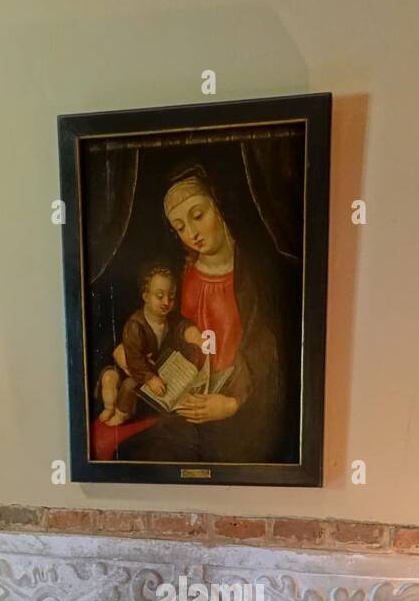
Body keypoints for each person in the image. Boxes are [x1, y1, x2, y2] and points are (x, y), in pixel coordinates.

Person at [116, 165, 294, 465]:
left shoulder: (256, 271)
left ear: (220, 207)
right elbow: (170, 331)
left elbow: (266, 349)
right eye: (180, 227)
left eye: (198, 216)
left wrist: (232, 403)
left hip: (241, 403)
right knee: (143, 455)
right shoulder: (181, 273)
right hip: (185, 396)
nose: (192, 234)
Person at [97, 263, 204, 428]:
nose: (166, 302)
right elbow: (133, 358)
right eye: (160, 296)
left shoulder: (169, 319)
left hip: (154, 369)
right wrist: (150, 378)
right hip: (133, 368)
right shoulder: (135, 325)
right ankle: (117, 412)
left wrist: (191, 332)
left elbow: (181, 325)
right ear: (146, 296)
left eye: (172, 296)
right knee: (122, 384)